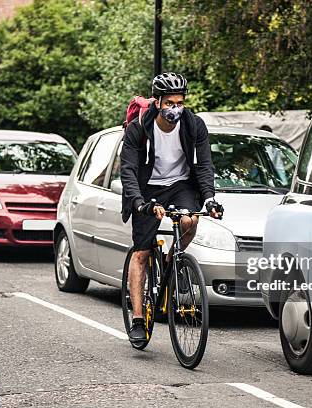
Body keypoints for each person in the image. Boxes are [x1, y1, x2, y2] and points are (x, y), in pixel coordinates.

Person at [120, 72, 223, 343]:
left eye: (180, 102)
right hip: (147, 187)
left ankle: (171, 262)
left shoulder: (194, 126)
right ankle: (139, 319)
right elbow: (128, 170)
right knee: (141, 253)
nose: (175, 108)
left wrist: (209, 197)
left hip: (180, 185)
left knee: (190, 221)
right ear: (157, 102)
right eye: (169, 103)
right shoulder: (139, 129)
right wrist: (139, 203)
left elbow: (204, 165)